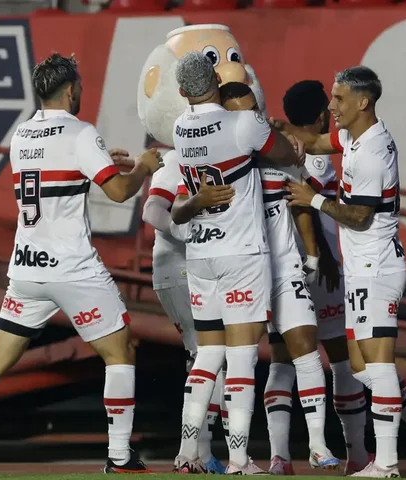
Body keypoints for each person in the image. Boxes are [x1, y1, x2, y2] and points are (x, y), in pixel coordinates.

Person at [0, 52, 163, 479]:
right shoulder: (81, 132)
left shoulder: (22, 135)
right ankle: (120, 457)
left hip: (27, 268)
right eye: (80, 86)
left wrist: (102, 161)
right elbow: (121, 191)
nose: (82, 91)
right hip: (72, 268)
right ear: (70, 90)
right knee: (119, 352)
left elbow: (60, 172)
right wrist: (143, 166)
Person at [276, 67, 406, 479]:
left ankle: (387, 463)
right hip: (362, 269)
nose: (331, 106)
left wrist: (315, 199)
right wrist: (275, 127)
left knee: (376, 368)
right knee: (363, 368)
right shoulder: (353, 138)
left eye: (339, 99)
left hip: (377, 267)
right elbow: (315, 139)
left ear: (363, 102)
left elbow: (359, 215)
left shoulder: (375, 150)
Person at [169, 51, 302, 475]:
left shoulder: (179, 128)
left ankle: (188, 452)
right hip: (241, 252)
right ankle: (240, 459)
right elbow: (283, 154)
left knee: (207, 356)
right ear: (216, 80)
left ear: (180, 92)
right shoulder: (243, 123)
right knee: (243, 358)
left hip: (201, 253)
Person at [219, 82, 340, 473]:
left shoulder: (281, 153)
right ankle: (271, 455)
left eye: (253, 108)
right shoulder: (222, 159)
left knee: (302, 349)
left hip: (285, 265)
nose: (249, 116)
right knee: (264, 362)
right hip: (245, 270)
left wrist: (310, 256)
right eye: (239, 111)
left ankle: (316, 447)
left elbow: (300, 205)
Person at [141, 148, 227, 474]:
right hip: (179, 270)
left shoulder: (211, 154)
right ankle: (196, 453)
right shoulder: (179, 157)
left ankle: (202, 451)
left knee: (212, 357)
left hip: (194, 271)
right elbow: (152, 210)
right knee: (209, 356)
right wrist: (187, 233)